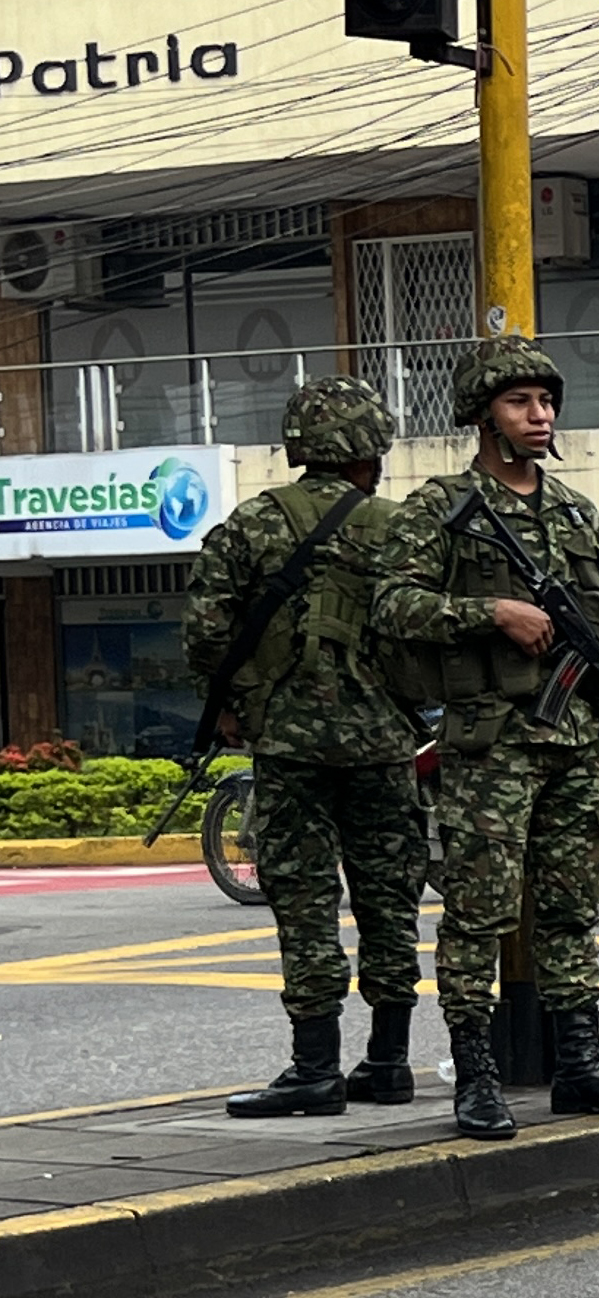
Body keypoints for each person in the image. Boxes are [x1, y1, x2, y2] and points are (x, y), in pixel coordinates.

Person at [376, 337, 599, 1141]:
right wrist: (491, 613)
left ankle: (581, 1065)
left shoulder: (575, 512)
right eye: (519, 403)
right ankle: (477, 1076)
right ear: (483, 416)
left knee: (572, 909)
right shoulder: (442, 507)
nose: (539, 416)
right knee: (478, 913)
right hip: (493, 744)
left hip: (578, 741)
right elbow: (391, 606)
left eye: (546, 402)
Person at [183, 377, 428, 1117]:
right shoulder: (401, 526)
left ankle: (315, 1069)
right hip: (386, 745)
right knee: (389, 900)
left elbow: (205, 631)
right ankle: (389, 1063)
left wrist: (236, 706)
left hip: (289, 747)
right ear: (370, 449)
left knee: (305, 901)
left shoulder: (253, 523)